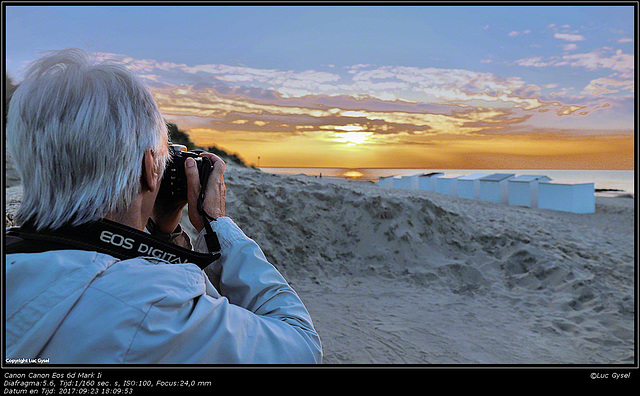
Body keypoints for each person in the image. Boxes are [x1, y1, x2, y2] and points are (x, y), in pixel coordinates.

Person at [5, 48, 322, 364]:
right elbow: (301, 346)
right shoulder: (154, 308)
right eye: (161, 156)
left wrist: (164, 228)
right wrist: (218, 224)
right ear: (148, 168)